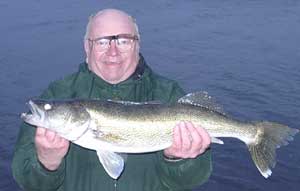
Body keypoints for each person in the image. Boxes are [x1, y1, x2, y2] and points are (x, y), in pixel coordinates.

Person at [12, 9, 212, 191]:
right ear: (86, 47)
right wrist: (47, 163)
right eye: (102, 41)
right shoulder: (59, 92)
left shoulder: (170, 94)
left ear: (137, 45)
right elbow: (28, 182)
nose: (113, 51)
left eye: (124, 41)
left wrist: (177, 160)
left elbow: (194, 179)